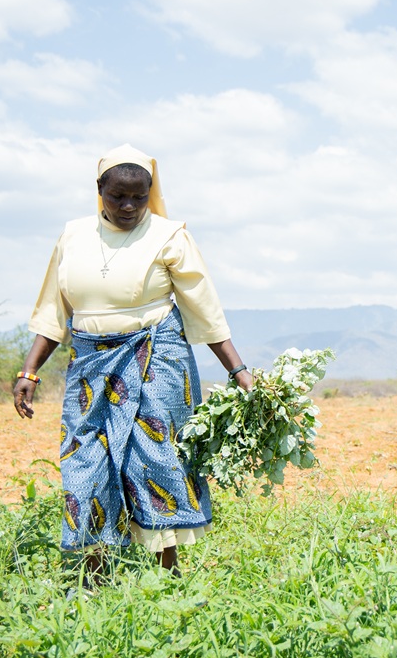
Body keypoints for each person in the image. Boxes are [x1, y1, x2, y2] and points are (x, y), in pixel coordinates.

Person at [13, 143, 253, 578]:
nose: (128, 206)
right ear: (99, 189)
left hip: (156, 356)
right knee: (86, 460)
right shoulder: (72, 236)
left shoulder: (169, 235)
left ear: (150, 192)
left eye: (139, 197)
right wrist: (30, 370)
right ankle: (93, 572)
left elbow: (204, 307)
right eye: (117, 196)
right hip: (90, 362)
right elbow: (53, 309)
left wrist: (237, 370)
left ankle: (167, 570)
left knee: (155, 455)